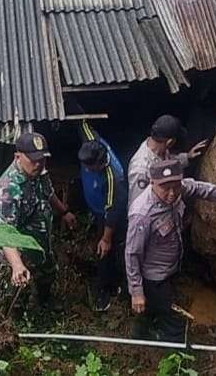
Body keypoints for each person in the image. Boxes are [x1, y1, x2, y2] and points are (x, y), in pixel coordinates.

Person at [125, 159, 216, 342]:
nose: (171, 193)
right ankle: (173, 352)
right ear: (152, 183)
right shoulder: (142, 215)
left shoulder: (177, 190)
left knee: (152, 307)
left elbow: (200, 188)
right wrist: (136, 292)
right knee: (173, 317)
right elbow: (132, 254)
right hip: (154, 277)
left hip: (171, 267)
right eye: (165, 188)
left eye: (175, 186)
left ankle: (141, 331)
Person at [0, 132, 77, 316]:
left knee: (47, 270)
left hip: (40, 241)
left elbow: (48, 193)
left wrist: (64, 212)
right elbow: (5, 233)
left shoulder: (39, 171)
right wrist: (17, 264)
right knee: (18, 287)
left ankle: (45, 301)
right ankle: (17, 322)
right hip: (16, 249)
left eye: (42, 159)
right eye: (33, 160)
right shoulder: (8, 190)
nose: (38, 164)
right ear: (18, 157)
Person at [78, 121, 128, 312]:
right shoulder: (91, 142)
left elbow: (113, 212)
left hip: (111, 218)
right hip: (97, 208)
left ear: (101, 162)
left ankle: (110, 288)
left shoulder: (113, 178)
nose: (87, 170)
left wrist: (106, 239)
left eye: (91, 167)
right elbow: (82, 123)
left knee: (109, 251)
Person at [128, 115, 208, 205]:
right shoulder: (141, 168)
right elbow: (137, 204)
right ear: (170, 142)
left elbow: (167, 161)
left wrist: (187, 157)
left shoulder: (159, 149)